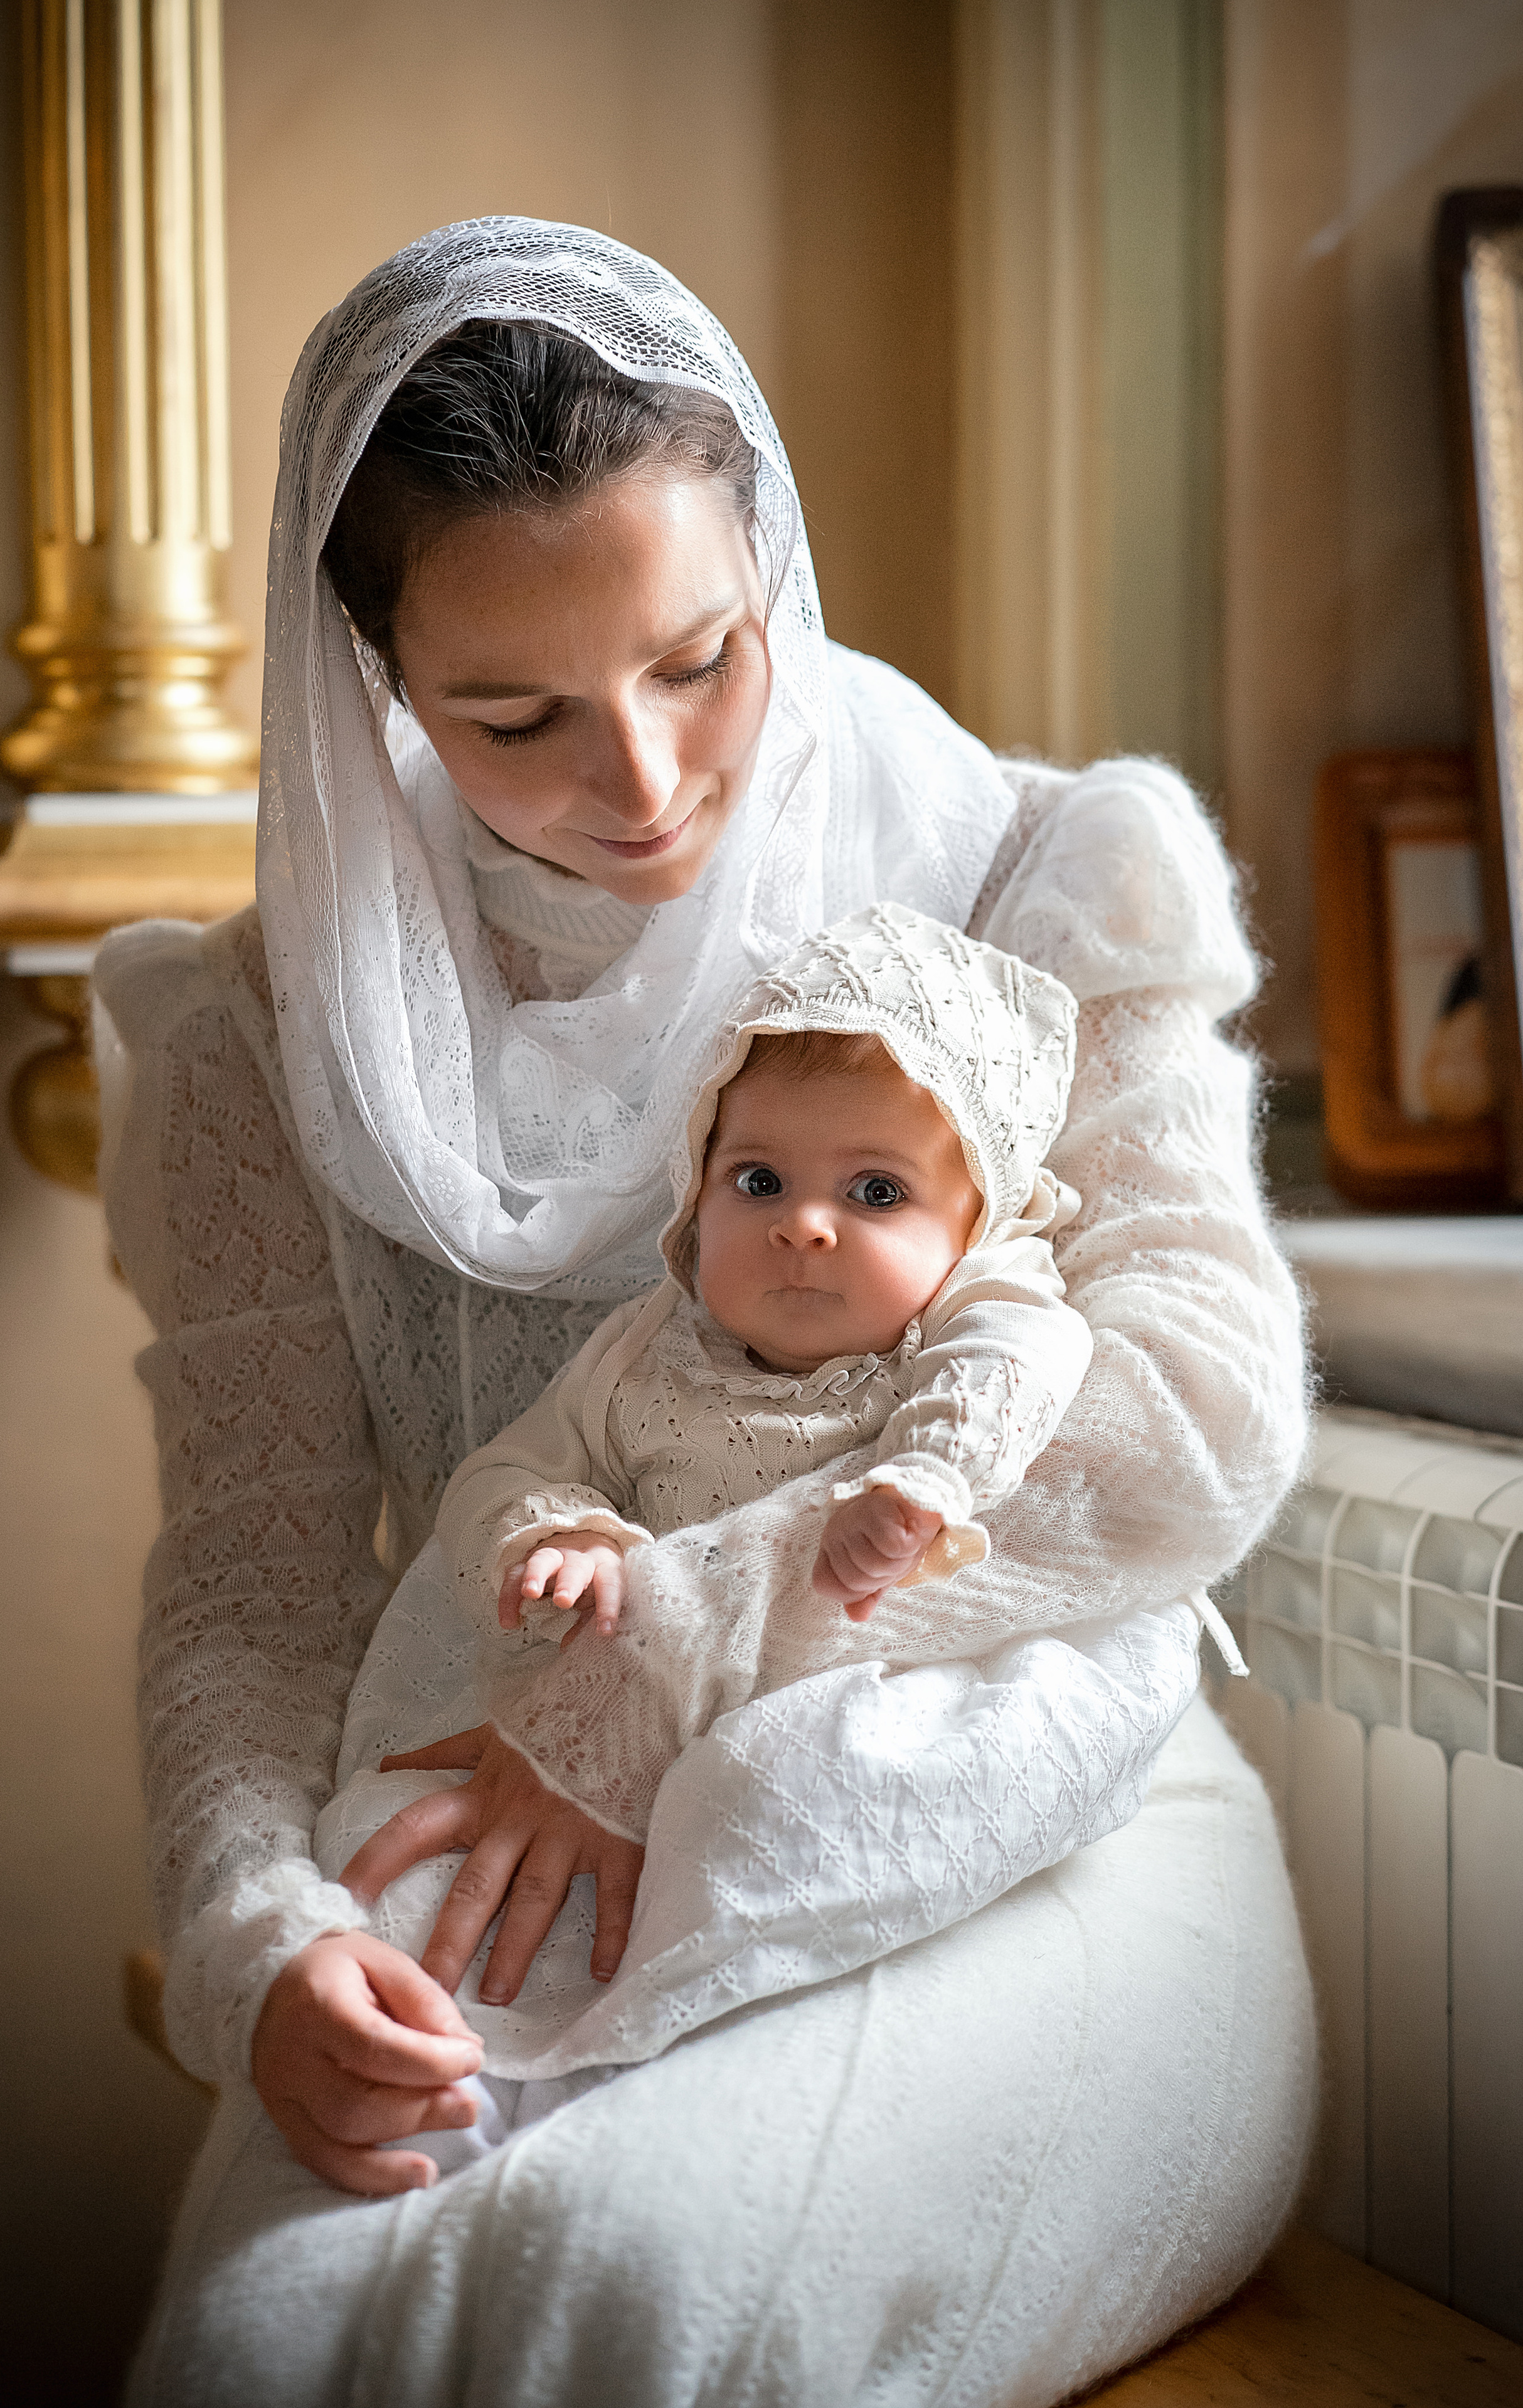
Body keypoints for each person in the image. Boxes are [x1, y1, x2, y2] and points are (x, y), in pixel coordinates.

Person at [100, 220, 1315, 2408]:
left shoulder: (1032, 871)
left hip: (1017, 1822)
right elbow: (253, 1578)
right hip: (493, 1854)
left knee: (617, 2299)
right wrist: (252, 1937)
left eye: (701, 657)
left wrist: (655, 1666)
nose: (649, 780)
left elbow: (1184, 1441)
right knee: (269, 2336)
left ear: (775, 552)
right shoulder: (266, 1034)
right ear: (371, 676)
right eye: (516, 712)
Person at [318, 904, 1111, 2037]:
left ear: (973, 1223)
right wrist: (563, 1533)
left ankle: (744, 2016)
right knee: (373, 1836)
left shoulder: (953, 1327)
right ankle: (463, 2052)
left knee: (791, 1786)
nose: (806, 1227)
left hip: (835, 1702)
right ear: (698, 1188)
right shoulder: (647, 1351)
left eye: (876, 1192)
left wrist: (922, 1483)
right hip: (609, 1717)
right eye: (758, 1181)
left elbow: (1024, 1357)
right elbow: (499, 1473)